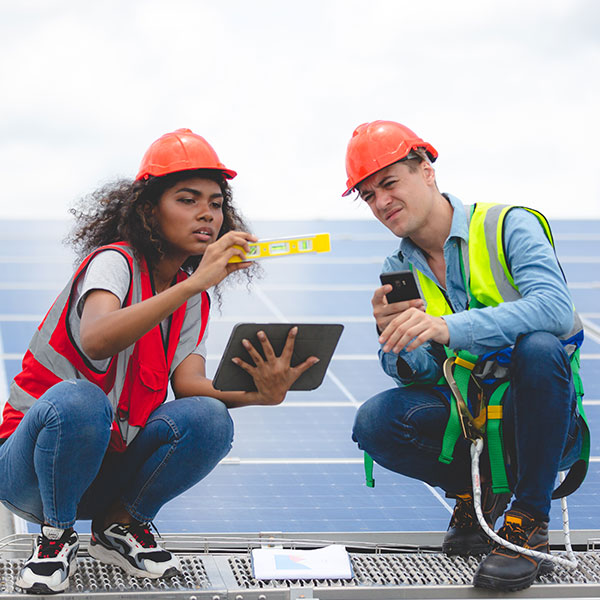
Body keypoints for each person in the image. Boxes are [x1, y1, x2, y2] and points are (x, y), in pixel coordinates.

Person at [0, 128, 318, 595]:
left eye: (215, 202)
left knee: (210, 418)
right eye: (188, 199)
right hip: (30, 468)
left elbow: (191, 387)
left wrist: (260, 395)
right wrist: (192, 284)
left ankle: (120, 525)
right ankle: (55, 537)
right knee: (82, 401)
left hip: (104, 467)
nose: (207, 213)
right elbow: (97, 339)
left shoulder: (193, 299)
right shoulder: (114, 263)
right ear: (149, 210)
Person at [346, 121, 587, 592]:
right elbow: (418, 378)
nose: (381, 203)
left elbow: (556, 309)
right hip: (472, 420)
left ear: (427, 171)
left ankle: (529, 524)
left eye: (390, 183)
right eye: (368, 195)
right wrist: (392, 336)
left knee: (539, 347)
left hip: (541, 418)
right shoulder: (398, 267)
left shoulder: (508, 225)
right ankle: (477, 495)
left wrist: (449, 326)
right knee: (376, 420)